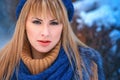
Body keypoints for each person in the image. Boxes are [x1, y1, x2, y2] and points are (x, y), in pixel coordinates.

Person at [0, 0, 105, 80]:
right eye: (37, 22)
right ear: (23, 24)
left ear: (64, 27)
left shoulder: (87, 68)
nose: (45, 33)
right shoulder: (3, 65)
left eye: (54, 23)